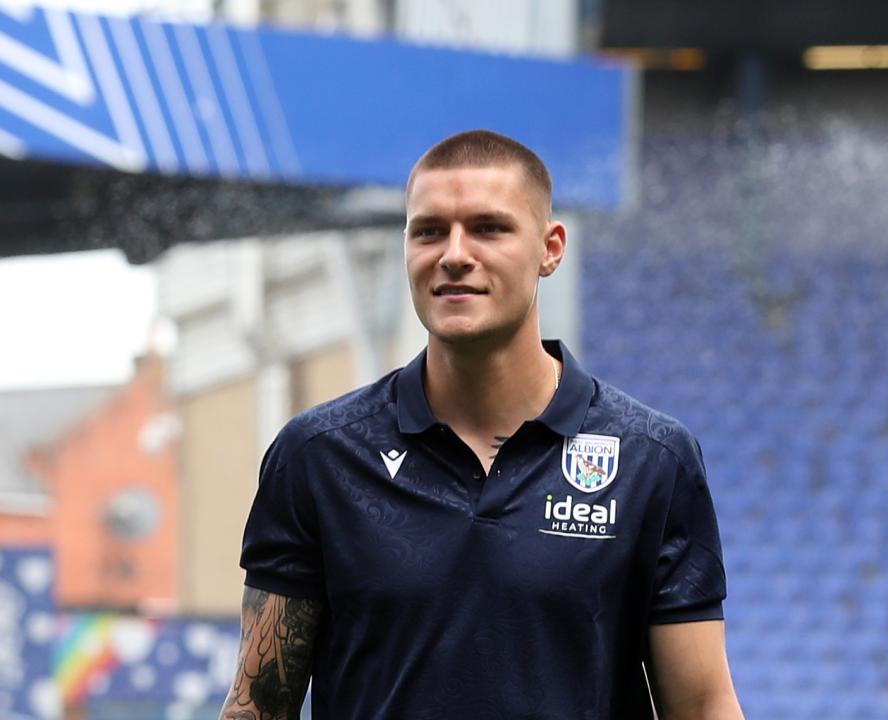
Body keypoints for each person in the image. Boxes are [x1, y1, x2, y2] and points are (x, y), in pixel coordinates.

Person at [220, 130, 744, 719]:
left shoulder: (651, 459)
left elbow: (701, 706)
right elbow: (258, 706)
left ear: (550, 248)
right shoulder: (318, 457)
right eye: (429, 230)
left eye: (489, 228)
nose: (454, 254)